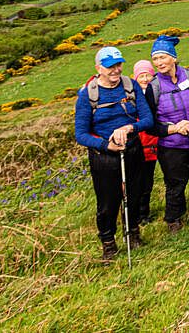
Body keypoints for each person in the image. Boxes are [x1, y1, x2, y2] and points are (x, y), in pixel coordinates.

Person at [74, 46, 153, 261]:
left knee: (135, 194)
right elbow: (80, 134)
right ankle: (108, 244)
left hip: (133, 149)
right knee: (108, 201)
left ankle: (133, 234)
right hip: (104, 157)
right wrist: (105, 145)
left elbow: (148, 119)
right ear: (99, 68)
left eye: (119, 65)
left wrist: (130, 128)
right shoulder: (87, 95)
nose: (116, 70)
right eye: (110, 67)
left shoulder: (131, 86)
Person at [144, 35, 189, 233]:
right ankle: (174, 218)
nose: (159, 63)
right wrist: (175, 128)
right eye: (156, 59)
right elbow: (150, 124)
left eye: (163, 57)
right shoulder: (153, 87)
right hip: (171, 146)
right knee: (175, 184)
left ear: (174, 58)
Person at [131, 60, 158, 226]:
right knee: (136, 181)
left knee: (147, 181)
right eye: (141, 75)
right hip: (136, 144)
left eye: (148, 74)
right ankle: (134, 214)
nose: (145, 78)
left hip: (153, 144)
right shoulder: (130, 97)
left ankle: (144, 213)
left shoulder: (156, 93)